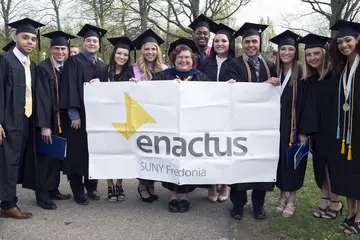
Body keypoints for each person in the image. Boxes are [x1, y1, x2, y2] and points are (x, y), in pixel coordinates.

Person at [225, 22, 277, 221]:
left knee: (259, 165)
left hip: (263, 125)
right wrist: (264, 85)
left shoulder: (270, 65)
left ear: (260, 42)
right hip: (240, 124)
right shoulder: (233, 64)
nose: (251, 45)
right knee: (239, 164)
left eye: (254, 41)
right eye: (247, 41)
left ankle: (258, 206)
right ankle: (237, 206)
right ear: (242, 43)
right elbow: (236, 92)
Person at [153, 38, 209, 212]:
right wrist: (135, 85)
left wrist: (229, 87)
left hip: (193, 128)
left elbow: (213, 97)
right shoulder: (164, 76)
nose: (183, 61)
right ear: (174, 60)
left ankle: (185, 196)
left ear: (192, 60)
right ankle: (173, 196)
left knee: (189, 160)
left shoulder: (201, 77)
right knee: (171, 158)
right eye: (180, 58)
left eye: (187, 58)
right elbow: (148, 93)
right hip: (169, 127)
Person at [0, 17, 45, 219]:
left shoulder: (31, 64)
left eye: (33, 39)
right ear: (15, 37)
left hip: (26, 120)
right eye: (25, 37)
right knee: (7, 162)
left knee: (16, 162)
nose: (29, 42)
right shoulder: (4, 60)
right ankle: (8, 204)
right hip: (8, 121)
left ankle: (7, 200)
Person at [59, 24, 108, 205]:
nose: (92, 43)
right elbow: (69, 88)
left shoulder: (102, 65)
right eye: (88, 40)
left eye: (95, 40)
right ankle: (77, 189)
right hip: (78, 117)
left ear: (99, 44)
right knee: (76, 153)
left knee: (93, 151)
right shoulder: (74, 62)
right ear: (84, 42)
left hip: (96, 118)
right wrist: (74, 114)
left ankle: (91, 186)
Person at [269, 30, 315, 217]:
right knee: (280, 162)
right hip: (276, 126)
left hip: (295, 127)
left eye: (290, 49)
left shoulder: (303, 72)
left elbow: (308, 104)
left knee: (294, 163)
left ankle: (292, 199)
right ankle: (282, 196)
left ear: (295, 51)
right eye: (283, 49)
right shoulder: (274, 70)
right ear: (278, 51)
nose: (286, 52)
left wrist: (304, 131)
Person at [325, 20, 360, 236]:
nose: (344, 45)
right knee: (347, 172)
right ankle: (350, 213)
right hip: (346, 131)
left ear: (358, 39)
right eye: (340, 42)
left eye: (348, 40)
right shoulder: (342, 68)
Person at [35, 30, 75, 210]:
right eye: (57, 49)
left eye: (63, 49)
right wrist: (44, 125)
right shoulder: (43, 69)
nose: (60, 52)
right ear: (51, 49)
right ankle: (42, 195)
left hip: (61, 120)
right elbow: (41, 99)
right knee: (44, 159)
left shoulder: (66, 67)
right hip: (48, 121)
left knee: (56, 158)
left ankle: (53, 189)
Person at [300, 33, 338, 220]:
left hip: (334, 130)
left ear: (325, 53)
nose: (313, 58)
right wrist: (304, 131)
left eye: (317, 53)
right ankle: (324, 198)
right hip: (317, 131)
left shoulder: (336, 76)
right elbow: (307, 108)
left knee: (332, 167)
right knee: (320, 167)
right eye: (308, 54)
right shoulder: (310, 80)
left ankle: (335, 201)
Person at [198, 23, 236, 202]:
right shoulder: (206, 62)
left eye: (223, 41)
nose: (219, 44)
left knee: (226, 149)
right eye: (217, 41)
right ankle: (212, 184)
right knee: (210, 149)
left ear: (230, 43)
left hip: (229, 113)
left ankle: (224, 184)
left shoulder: (237, 62)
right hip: (209, 112)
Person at [130, 29, 167, 202]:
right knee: (143, 151)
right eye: (147, 49)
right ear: (141, 51)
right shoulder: (133, 70)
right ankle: (143, 184)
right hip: (141, 117)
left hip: (160, 118)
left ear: (157, 51)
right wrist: (131, 85)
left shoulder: (166, 69)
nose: (150, 52)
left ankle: (151, 183)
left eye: (153, 49)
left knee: (156, 152)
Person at [99, 36, 135, 202]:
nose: (122, 57)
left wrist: (136, 85)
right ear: (114, 53)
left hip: (124, 118)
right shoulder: (102, 70)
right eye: (119, 53)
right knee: (107, 152)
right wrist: (93, 84)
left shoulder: (130, 72)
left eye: (125, 55)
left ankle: (119, 183)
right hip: (106, 118)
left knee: (122, 152)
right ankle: (109, 185)